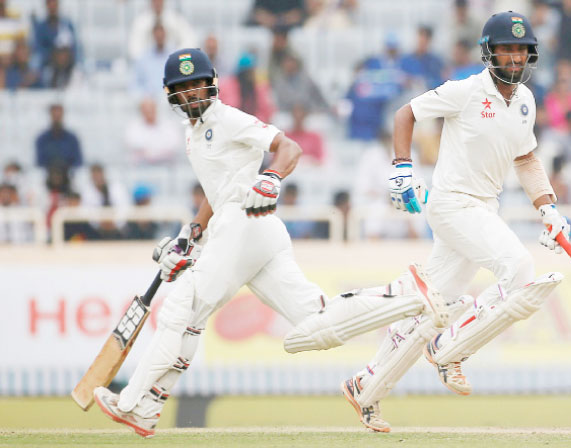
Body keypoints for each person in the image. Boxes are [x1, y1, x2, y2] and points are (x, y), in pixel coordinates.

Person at [92, 48, 448, 438]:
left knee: (183, 308)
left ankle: (136, 404)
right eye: (184, 88)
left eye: (198, 85)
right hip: (248, 230)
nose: (193, 94)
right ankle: (408, 296)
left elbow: (288, 148)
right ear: (171, 95)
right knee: (314, 325)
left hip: (247, 221)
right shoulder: (192, 134)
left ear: (211, 84)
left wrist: (271, 177)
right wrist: (191, 232)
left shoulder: (227, 118)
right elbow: (217, 189)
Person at [339, 12, 570, 432]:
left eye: (521, 49)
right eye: (506, 48)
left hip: (484, 208)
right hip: (451, 205)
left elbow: (526, 158)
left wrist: (548, 208)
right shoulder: (466, 90)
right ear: (489, 52)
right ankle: (450, 348)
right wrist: (403, 169)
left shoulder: (525, 101)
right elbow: (404, 114)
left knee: (431, 310)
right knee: (519, 270)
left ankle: (365, 385)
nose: (515, 57)